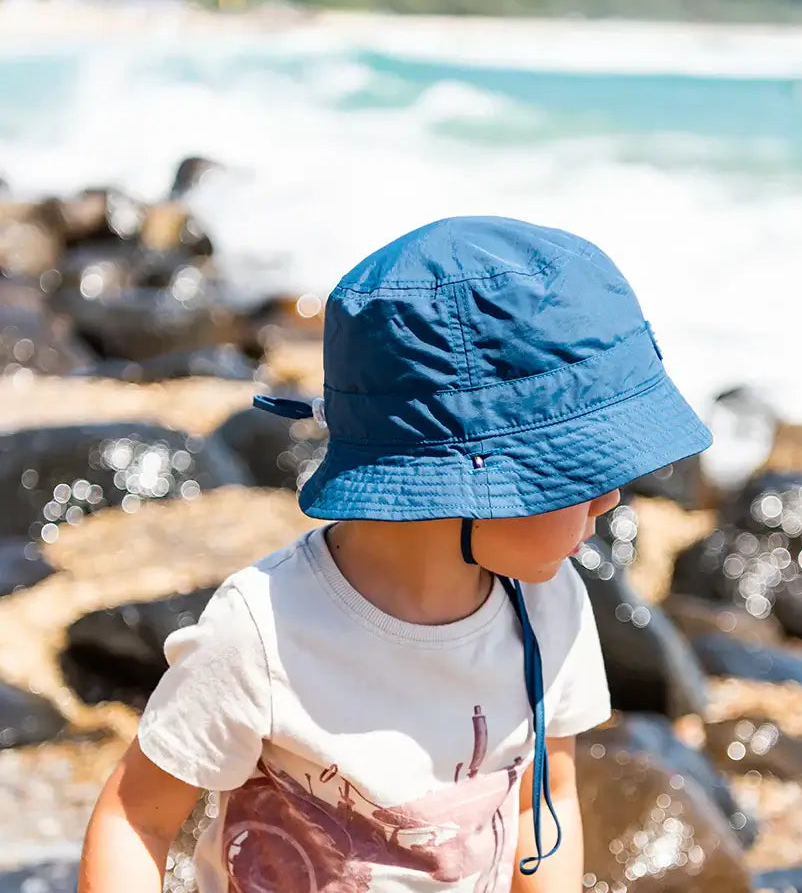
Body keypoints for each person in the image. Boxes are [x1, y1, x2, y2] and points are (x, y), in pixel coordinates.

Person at [78, 215, 712, 893]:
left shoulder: (551, 607)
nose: (611, 499)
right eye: (577, 474)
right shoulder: (264, 632)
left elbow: (542, 801)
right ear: (462, 484)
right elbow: (134, 818)